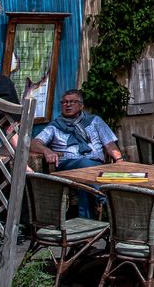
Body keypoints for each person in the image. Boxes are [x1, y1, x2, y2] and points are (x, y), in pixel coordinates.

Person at [30, 89, 123, 217]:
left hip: (94, 167)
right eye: (64, 102)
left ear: (81, 105)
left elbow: (110, 144)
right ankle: (107, 200)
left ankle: (87, 226)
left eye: (72, 102)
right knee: (87, 165)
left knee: (85, 182)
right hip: (68, 166)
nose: (68, 105)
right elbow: (34, 143)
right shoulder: (55, 126)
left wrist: (119, 160)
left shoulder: (94, 121)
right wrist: (46, 150)